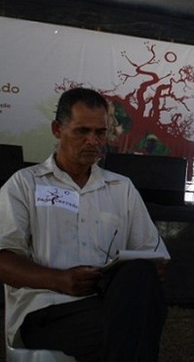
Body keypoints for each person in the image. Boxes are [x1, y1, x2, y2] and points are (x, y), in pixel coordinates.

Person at [0, 87, 169, 360]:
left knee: (140, 280)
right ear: (57, 129)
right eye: (82, 131)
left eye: (100, 133)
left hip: (107, 302)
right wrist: (60, 280)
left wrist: (132, 271)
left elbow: (155, 260)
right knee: (132, 326)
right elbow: (3, 260)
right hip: (47, 310)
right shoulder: (25, 184)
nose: (93, 141)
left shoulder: (121, 188)